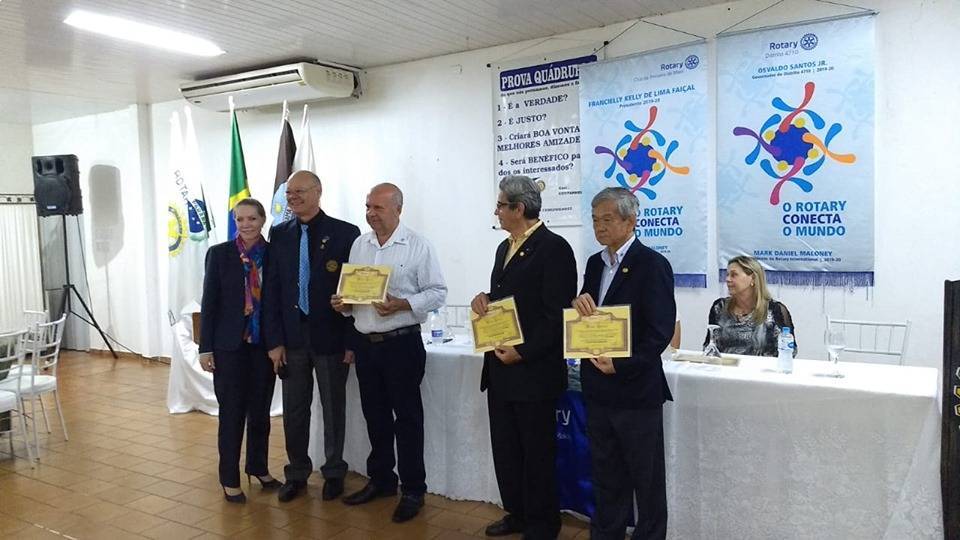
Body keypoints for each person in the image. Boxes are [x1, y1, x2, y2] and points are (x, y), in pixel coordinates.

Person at [331, 183, 447, 523]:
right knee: (375, 416)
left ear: (398, 209)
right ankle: (381, 480)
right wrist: (344, 304)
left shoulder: (418, 245)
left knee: (407, 419)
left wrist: (403, 304)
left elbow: (438, 292)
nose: (371, 214)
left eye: (378, 208)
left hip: (401, 344)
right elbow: (354, 297)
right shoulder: (360, 244)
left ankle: (413, 490)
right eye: (368, 206)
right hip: (366, 345)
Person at [471, 175, 577, 540]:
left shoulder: (555, 248)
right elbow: (510, 299)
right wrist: (484, 299)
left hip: (533, 371)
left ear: (519, 208)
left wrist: (524, 352)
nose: (496, 212)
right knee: (507, 449)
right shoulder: (504, 247)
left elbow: (556, 315)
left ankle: (543, 523)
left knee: (537, 453)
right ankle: (516, 512)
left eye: (501, 205)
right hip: (501, 369)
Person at [571, 187, 675, 540]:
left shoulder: (652, 264)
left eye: (607, 219)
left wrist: (622, 364)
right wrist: (579, 304)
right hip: (598, 389)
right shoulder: (594, 263)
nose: (599, 226)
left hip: (635, 391)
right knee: (606, 475)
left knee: (646, 481)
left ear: (631, 222)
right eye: (594, 220)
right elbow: (590, 314)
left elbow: (659, 332)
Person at [263, 170, 361, 503]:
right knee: (294, 410)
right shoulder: (279, 234)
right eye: (289, 193)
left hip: (331, 337)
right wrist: (274, 341)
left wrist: (350, 342)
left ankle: (334, 472)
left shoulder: (346, 233)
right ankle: (297, 472)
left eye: (299, 192)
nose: (292, 198)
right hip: (292, 338)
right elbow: (272, 291)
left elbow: (354, 292)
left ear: (318, 192)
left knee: (333, 408)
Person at [199, 198, 280, 503]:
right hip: (228, 347)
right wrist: (205, 348)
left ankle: (258, 467)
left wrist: (278, 343)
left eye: (252, 219)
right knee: (232, 414)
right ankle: (229, 478)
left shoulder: (273, 254)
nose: (245, 224)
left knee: (260, 412)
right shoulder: (219, 254)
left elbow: (278, 302)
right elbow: (209, 304)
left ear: (262, 220)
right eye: (240, 219)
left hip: (263, 346)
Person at [705, 255, 797, 357]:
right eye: (727, 275)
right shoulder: (719, 307)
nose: (727, 279)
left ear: (752, 278)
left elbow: (790, 351)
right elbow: (709, 346)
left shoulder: (775, 310)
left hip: (762, 367)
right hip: (727, 366)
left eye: (734, 275)